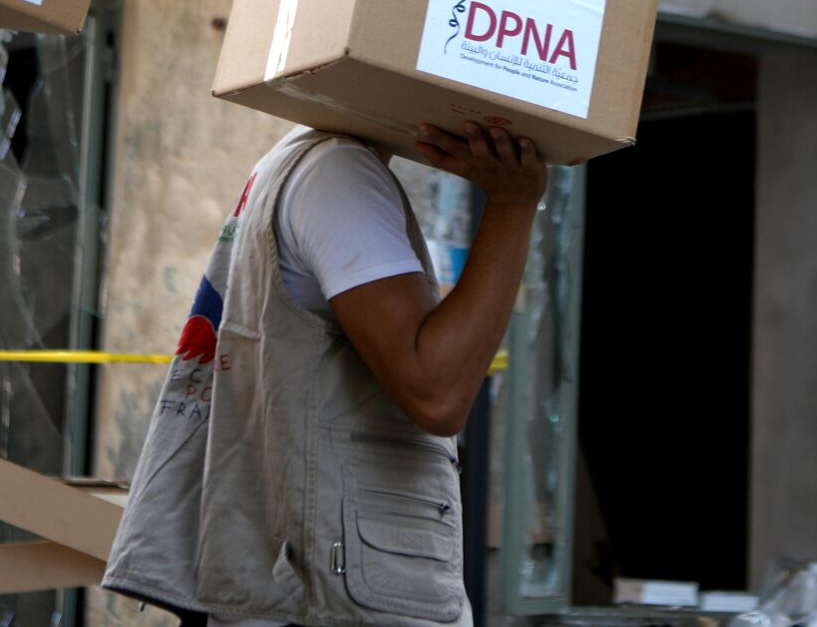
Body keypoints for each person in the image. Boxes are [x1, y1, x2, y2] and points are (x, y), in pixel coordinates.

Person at [103, 120, 548, 627]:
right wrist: (513, 205)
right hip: (322, 593)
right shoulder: (337, 173)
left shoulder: (299, 160)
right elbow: (437, 392)